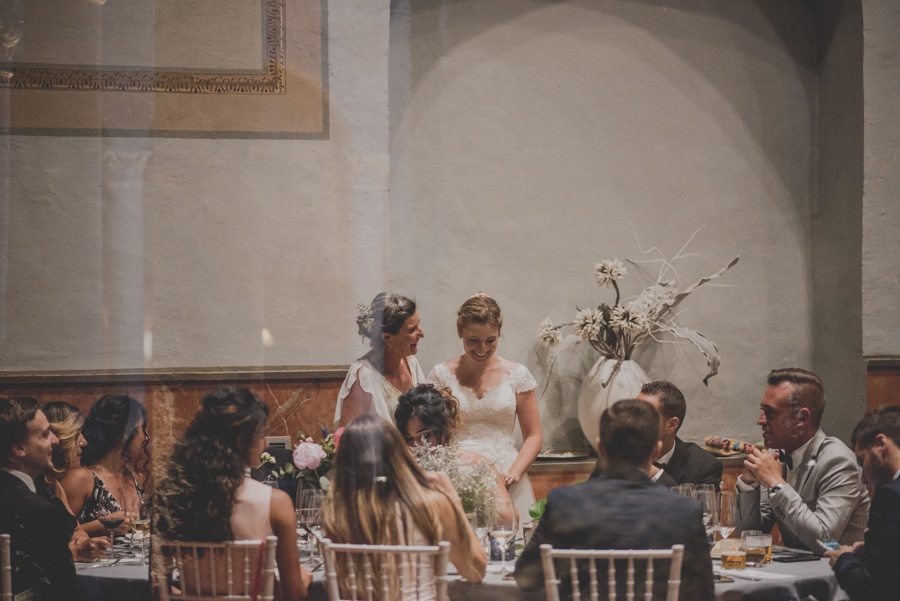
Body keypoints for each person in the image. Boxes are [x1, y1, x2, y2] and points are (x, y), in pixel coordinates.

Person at [514, 399, 714, 601]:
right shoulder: (685, 510)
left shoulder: (564, 502)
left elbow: (526, 578)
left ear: (601, 447)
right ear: (655, 451)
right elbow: (703, 593)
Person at [152, 386, 310, 600]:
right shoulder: (276, 503)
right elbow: (294, 596)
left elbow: (157, 589)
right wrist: (303, 582)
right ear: (241, 441)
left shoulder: (169, 497)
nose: (265, 444)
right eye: (262, 435)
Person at [322, 414, 486, 595]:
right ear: (398, 453)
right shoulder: (431, 504)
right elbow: (475, 572)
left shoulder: (336, 513)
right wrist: (453, 499)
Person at [427, 293, 541, 525]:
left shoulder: (518, 375)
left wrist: (514, 473)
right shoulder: (440, 375)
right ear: (460, 332)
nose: (482, 348)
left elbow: (534, 435)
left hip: (508, 475)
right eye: (473, 340)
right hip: (458, 476)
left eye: (491, 340)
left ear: (499, 333)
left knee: (509, 548)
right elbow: (430, 433)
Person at [735, 368, 870, 553]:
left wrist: (776, 485)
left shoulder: (838, 461)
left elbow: (825, 541)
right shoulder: (776, 454)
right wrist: (748, 485)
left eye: (770, 413)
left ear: (801, 418)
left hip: (839, 576)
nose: (760, 420)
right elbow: (751, 537)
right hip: (797, 574)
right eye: (762, 410)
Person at [0, 396, 90, 601]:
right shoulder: (40, 512)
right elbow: (68, 591)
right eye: (45, 434)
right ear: (19, 448)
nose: (56, 440)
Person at [394, 383, 514, 512]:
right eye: (409, 439)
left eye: (426, 435)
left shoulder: (478, 465)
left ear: (448, 425)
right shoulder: (402, 471)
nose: (417, 446)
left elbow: (510, 518)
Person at [825, 406, 900, 600]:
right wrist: (872, 548)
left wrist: (842, 560)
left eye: (861, 460)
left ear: (881, 443)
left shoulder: (890, 496)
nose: (862, 475)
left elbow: (871, 588)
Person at [61, 394, 150, 537]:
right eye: (143, 429)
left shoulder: (136, 478)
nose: (146, 437)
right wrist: (103, 526)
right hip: (92, 558)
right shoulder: (81, 478)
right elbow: (56, 534)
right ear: (125, 434)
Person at [334, 292, 426, 426]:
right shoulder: (363, 376)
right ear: (387, 338)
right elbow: (347, 438)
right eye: (412, 330)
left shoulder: (411, 363)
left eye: (419, 325)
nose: (422, 334)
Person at [42, 401, 112, 561]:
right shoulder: (24, 486)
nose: (84, 442)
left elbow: (77, 530)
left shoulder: (53, 485)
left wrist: (82, 540)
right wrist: (72, 552)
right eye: (76, 434)